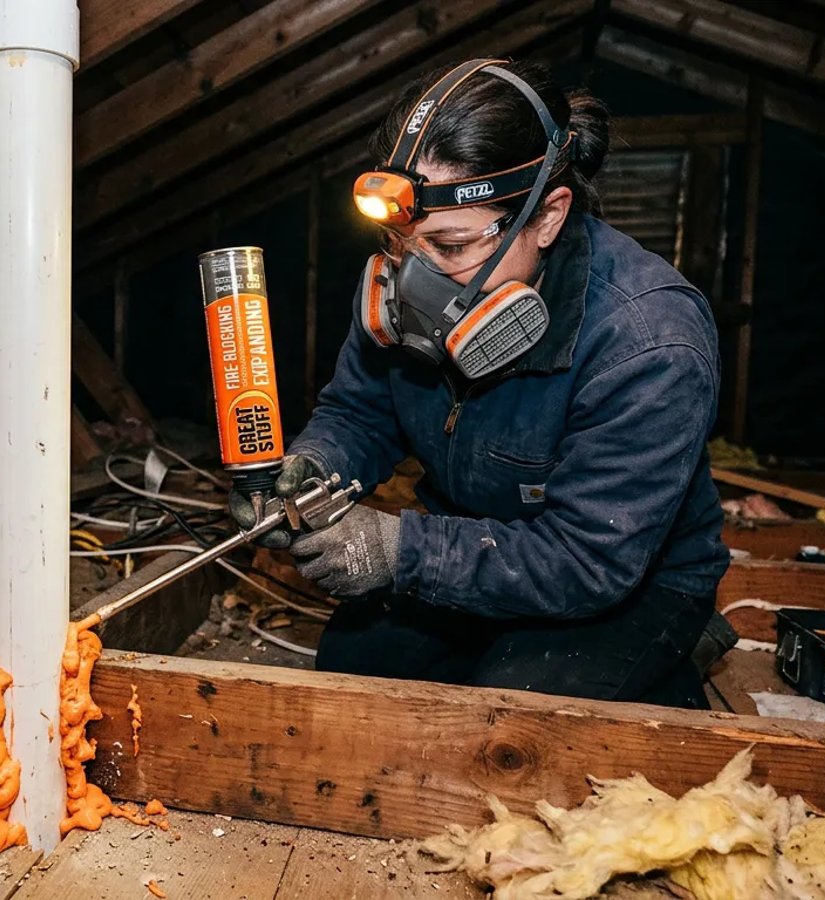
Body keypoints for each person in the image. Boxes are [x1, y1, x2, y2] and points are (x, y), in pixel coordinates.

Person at [230, 58, 730, 709]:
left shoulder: (647, 338)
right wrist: (313, 467)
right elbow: (359, 411)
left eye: (454, 246)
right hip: (472, 544)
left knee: (514, 713)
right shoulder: (400, 282)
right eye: (400, 242)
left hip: (624, 581)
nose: (414, 279)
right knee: (355, 666)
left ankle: (677, 649)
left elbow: (588, 560)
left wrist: (399, 551)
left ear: (547, 217)